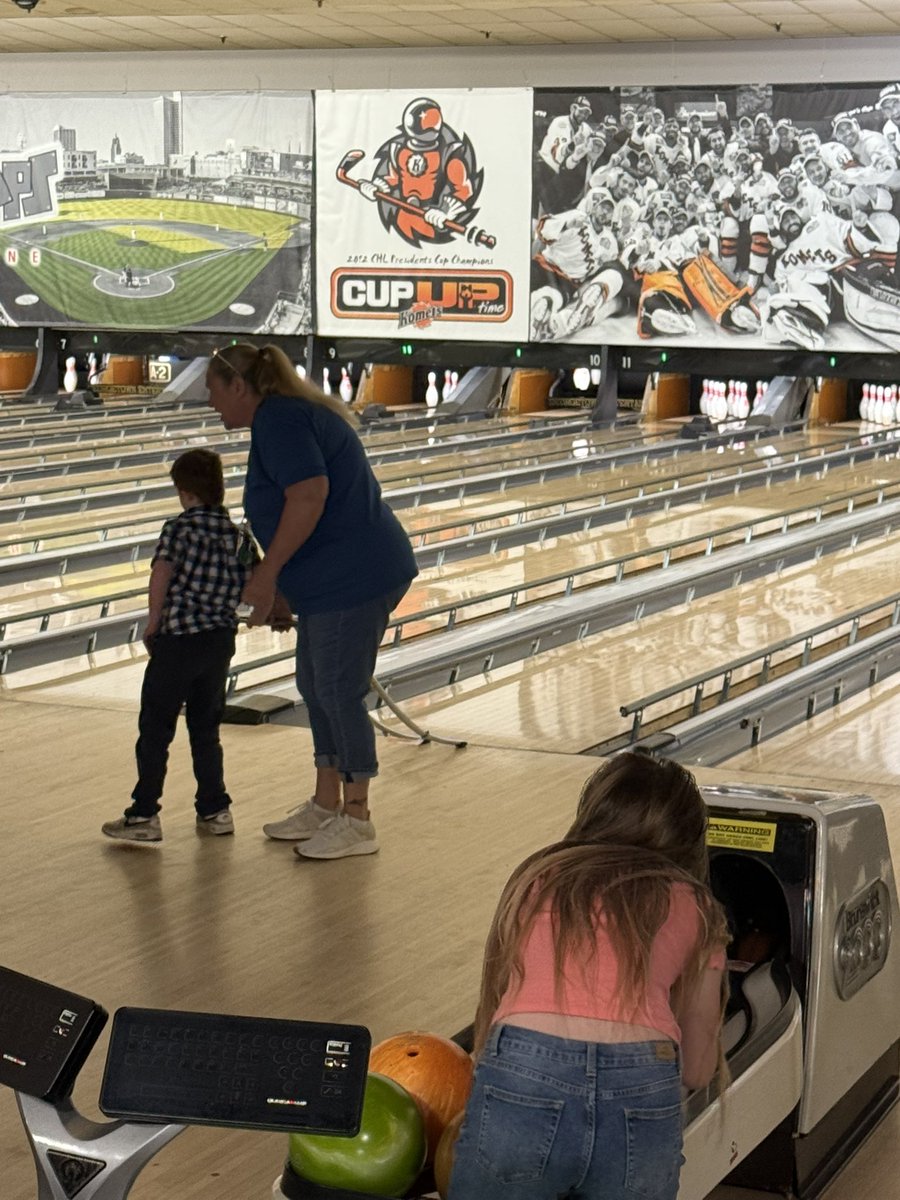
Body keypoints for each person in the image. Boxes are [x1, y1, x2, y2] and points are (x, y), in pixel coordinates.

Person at [448, 751, 730, 1200]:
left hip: (526, 1066)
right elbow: (697, 1069)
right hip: (642, 1079)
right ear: (689, 841)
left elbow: (490, 1027)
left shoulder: (539, 879)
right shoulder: (698, 906)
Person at [204, 343, 418, 861]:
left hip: (353, 576)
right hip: (331, 578)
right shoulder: (280, 418)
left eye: (213, 391)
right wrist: (282, 588)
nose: (210, 403)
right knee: (316, 687)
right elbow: (294, 511)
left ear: (238, 386)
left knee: (338, 691)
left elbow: (309, 495)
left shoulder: (280, 419)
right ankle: (326, 804)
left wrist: (266, 577)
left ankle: (357, 818)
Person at [102, 449, 253, 843]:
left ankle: (144, 814)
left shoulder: (178, 529)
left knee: (156, 728)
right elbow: (254, 585)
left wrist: (154, 621)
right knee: (206, 729)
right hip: (219, 642)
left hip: (179, 641)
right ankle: (215, 810)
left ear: (184, 491)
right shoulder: (238, 535)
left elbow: (162, 572)